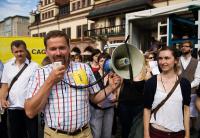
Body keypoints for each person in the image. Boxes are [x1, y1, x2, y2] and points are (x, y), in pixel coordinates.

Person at [24, 30, 121, 138]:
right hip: (55, 135)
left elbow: (94, 97)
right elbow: (29, 112)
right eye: (53, 49)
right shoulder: (39, 73)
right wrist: (50, 81)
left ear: (69, 48)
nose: (58, 53)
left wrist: (111, 87)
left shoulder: (84, 68)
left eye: (62, 47)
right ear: (46, 51)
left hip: (84, 133)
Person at [143, 46, 191, 138]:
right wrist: (146, 134)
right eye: (160, 58)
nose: (163, 62)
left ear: (176, 60)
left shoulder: (184, 83)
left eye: (167, 58)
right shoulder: (151, 82)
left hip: (178, 133)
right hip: (156, 133)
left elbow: (186, 109)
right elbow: (147, 109)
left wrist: (187, 134)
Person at [0, 40, 39, 138]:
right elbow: (4, 85)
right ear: (12, 52)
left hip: (29, 108)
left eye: (21, 51)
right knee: (15, 135)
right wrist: (2, 99)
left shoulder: (34, 66)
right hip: (13, 108)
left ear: (26, 50)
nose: (19, 54)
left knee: (32, 135)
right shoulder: (7, 66)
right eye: (16, 52)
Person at [89, 52, 118, 138]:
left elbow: (117, 90)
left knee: (107, 134)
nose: (104, 63)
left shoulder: (114, 75)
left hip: (109, 108)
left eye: (106, 61)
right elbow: (90, 93)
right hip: (96, 109)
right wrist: (96, 101)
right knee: (96, 134)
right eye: (101, 61)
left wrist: (116, 96)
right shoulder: (93, 75)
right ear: (98, 63)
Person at [179, 40, 200, 133]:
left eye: (186, 46)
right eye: (182, 46)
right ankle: (183, 128)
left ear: (191, 48)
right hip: (178, 90)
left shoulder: (197, 62)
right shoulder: (177, 60)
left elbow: (198, 78)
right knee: (180, 111)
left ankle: (193, 128)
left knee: (192, 113)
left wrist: (187, 86)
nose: (183, 47)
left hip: (192, 91)